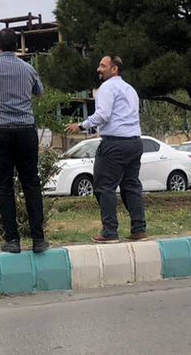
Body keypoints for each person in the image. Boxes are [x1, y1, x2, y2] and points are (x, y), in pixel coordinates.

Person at [0, 28, 48, 254]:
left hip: (0, 133)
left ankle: (12, 240)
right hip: (26, 131)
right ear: (16, 46)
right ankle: (38, 239)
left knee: (4, 186)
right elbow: (40, 92)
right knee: (31, 183)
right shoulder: (28, 68)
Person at [66, 55, 147, 243]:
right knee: (131, 186)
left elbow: (103, 114)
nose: (98, 69)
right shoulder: (130, 89)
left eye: (103, 66)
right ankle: (139, 228)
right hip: (134, 143)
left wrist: (81, 125)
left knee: (104, 187)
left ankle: (109, 231)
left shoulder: (107, 88)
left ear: (114, 69)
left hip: (114, 144)